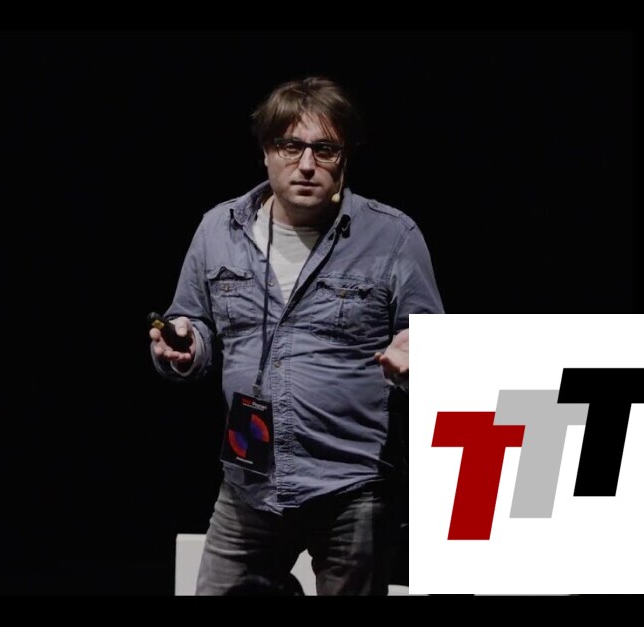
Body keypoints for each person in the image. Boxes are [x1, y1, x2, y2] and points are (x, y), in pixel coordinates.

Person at [149, 76, 442, 595]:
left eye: (324, 149)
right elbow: (194, 323)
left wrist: (418, 354)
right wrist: (185, 346)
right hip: (249, 483)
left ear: (344, 158)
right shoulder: (218, 230)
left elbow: (430, 341)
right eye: (291, 146)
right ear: (266, 151)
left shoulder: (393, 236)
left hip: (352, 486)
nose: (307, 164)